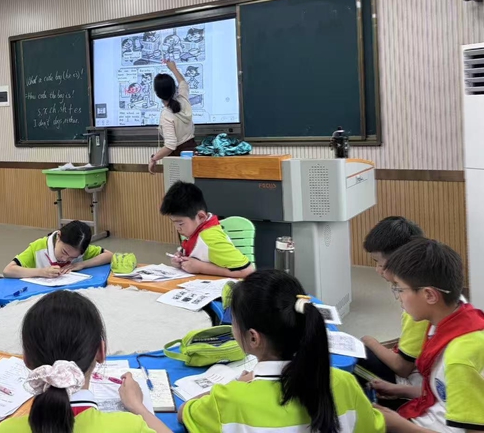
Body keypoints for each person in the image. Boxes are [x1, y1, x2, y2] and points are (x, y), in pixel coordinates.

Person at [180, 270, 386, 433]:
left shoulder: (229, 399)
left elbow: (185, 412)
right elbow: (371, 426)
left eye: (233, 322)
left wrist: (235, 384)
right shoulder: (344, 382)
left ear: (253, 338)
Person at [0, 290, 172, 433]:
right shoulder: (130, 427)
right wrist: (138, 407)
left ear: (26, 358)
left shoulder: (6, 429)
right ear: (101, 352)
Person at [368, 239, 484, 433]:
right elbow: (445, 392)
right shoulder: (451, 321)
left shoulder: (459, 357)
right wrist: (399, 390)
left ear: (429, 295)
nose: (398, 297)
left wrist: (398, 425)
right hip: (426, 412)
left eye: (400, 289)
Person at [358, 217, 427, 384]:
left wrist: (370, 342)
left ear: (399, 261)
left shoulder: (416, 305)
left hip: (413, 383)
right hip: (419, 373)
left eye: (379, 264)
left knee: (355, 358)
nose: (377, 270)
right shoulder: (426, 283)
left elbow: (403, 367)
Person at [160, 181, 254, 278]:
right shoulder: (195, 230)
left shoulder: (210, 238)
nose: (177, 228)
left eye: (180, 223)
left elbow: (248, 271)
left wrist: (201, 268)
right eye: (173, 222)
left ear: (201, 217)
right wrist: (181, 260)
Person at [2, 220, 113, 279]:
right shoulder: (38, 247)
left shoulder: (80, 249)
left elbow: (109, 255)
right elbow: (8, 270)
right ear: (59, 236)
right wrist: (41, 272)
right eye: (64, 252)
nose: (65, 259)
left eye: (72, 257)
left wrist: (82, 264)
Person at [148, 60, 195, 173]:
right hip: (193, 152)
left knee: (179, 185)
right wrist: (173, 69)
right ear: (174, 88)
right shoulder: (183, 99)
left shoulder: (166, 114)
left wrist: (154, 158)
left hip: (178, 158)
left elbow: (170, 146)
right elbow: (183, 83)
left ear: (157, 93)